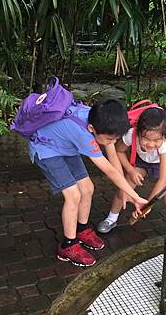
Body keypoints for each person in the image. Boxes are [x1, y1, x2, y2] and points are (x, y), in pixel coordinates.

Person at [30, 98, 147, 266]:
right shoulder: (84, 135)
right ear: (92, 129)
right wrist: (134, 196)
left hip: (65, 145)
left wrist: (126, 192)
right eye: (109, 140)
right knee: (73, 195)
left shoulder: (101, 122)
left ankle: (81, 229)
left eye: (115, 139)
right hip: (46, 149)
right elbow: (109, 171)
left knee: (87, 188)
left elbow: (113, 159)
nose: (112, 143)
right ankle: (68, 245)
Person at [97, 107, 166, 233]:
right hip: (142, 161)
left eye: (157, 140)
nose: (151, 144)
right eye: (146, 139)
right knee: (124, 188)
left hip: (164, 163)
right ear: (138, 132)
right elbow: (119, 151)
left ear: (164, 137)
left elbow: (163, 178)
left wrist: (148, 205)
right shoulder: (131, 134)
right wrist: (131, 170)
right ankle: (111, 218)